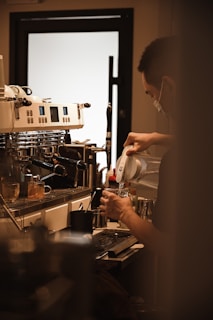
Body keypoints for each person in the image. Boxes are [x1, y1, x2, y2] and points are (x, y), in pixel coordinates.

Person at [99, 36, 178, 313]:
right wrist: (157, 137)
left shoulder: (178, 163)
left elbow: (170, 245)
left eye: (151, 94)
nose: (155, 102)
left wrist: (125, 214)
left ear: (167, 85)